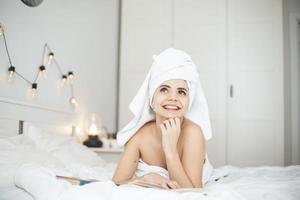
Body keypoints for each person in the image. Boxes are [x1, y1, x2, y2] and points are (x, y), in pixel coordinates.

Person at [112, 48, 213, 189]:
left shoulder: (193, 133)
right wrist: (145, 180)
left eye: (181, 92)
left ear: (189, 102)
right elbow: (118, 181)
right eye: (164, 89)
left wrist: (170, 150)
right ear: (152, 99)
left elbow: (192, 193)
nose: (173, 97)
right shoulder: (139, 136)